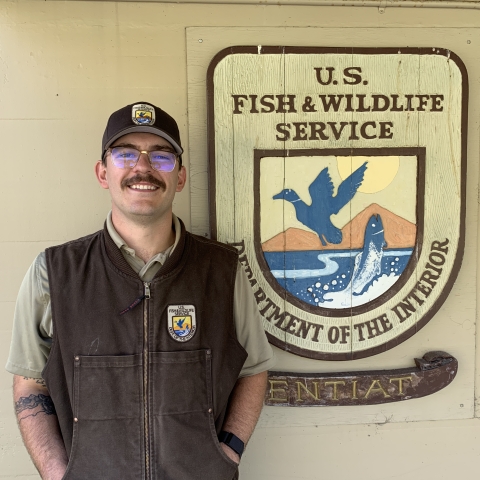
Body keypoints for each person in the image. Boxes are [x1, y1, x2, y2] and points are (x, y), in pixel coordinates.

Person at [6, 102, 275, 480]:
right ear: (103, 172)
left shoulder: (222, 270)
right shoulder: (54, 273)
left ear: (180, 177)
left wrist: (227, 453)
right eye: (125, 154)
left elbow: (254, 370)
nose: (143, 167)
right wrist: (56, 473)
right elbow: (30, 382)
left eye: (161, 156)